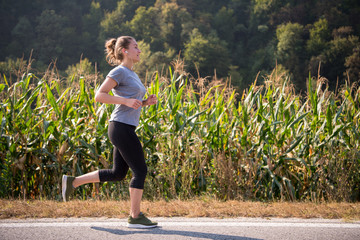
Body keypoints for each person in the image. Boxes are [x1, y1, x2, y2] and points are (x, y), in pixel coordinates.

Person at [62, 36, 158, 229]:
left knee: (117, 173)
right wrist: (125, 101)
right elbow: (99, 96)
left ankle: (72, 182)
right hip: (120, 127)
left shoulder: (132, 73)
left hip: (125, 126)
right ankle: (135, 216)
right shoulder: (119, 71)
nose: (139, 50)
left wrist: (146, 102)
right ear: (124, 51)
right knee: (140, 170)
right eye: (136, 47)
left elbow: (130, 101)